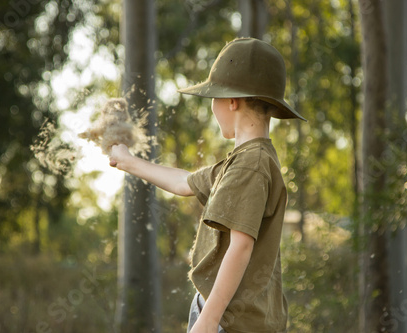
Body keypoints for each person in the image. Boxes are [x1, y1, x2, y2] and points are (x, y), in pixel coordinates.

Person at [109, 37, 306, 333]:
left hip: (228, 321)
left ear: (232, 101)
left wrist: (208, 321)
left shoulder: (250, 165)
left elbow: (240, 246)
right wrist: (128, 161)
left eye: (213, 97)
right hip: (229, 316)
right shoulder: (248, 160)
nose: (212, 107)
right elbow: (184, 183)